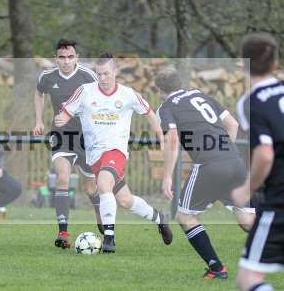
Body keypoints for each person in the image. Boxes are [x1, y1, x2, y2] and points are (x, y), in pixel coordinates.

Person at [55, 53, 172, 253]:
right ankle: (160, 218)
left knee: (102, 185)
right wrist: (62, 118)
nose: (102, 78)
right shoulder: (85, 91)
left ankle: (109, 239)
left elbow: (150, 113)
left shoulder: (127, 94)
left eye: (106, 74)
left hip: (116, 151)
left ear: (115, 72)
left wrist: (161, 137)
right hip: (94, 156)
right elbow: (66, 110)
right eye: (99, 74)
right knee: (125, 200)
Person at [155, 67, 255, 279]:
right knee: (246, 219)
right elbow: (233, 123)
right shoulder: (200, 94)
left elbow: (172, 141)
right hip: (234, 161)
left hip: (209, 166)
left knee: (184, 216)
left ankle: (217, 268)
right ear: (179, 83)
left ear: (159, 91)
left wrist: (167, 176)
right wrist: (224, 148)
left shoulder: (165, 107)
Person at [33, 39, 102, 248]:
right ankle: (63, 232)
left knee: (90, 187)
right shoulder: (47, 77)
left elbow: (100, 99)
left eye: (70, 57)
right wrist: (39, 120)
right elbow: (38, 93)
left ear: (76, 58)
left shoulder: (87, 76)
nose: (65, 61)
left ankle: (99, 211)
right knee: (62, 178)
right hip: (61, 137)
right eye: (61, 57)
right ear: (56, 59)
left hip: (86, 139)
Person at [233, 33, 284, 291]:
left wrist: (246, 190)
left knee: (248, 278)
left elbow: (264, 154)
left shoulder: (251, 103)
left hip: (279, 201)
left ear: (244, 65)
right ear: (276, 64)